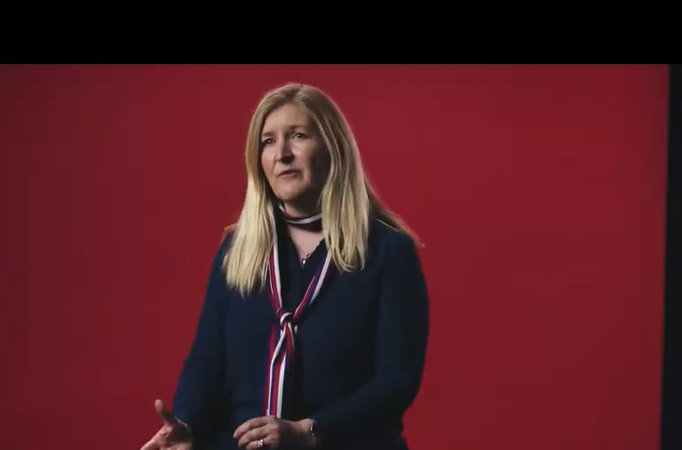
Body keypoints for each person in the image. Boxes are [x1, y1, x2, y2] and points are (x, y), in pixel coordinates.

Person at [139, 83, 430, 450]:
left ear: (333, 148)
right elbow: (207, 362)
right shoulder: (237, 249)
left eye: (298, 136)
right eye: (268, 142)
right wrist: (187, 426)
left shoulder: (388, 251)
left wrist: (311, 431)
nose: (282, 154)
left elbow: (397, 380)